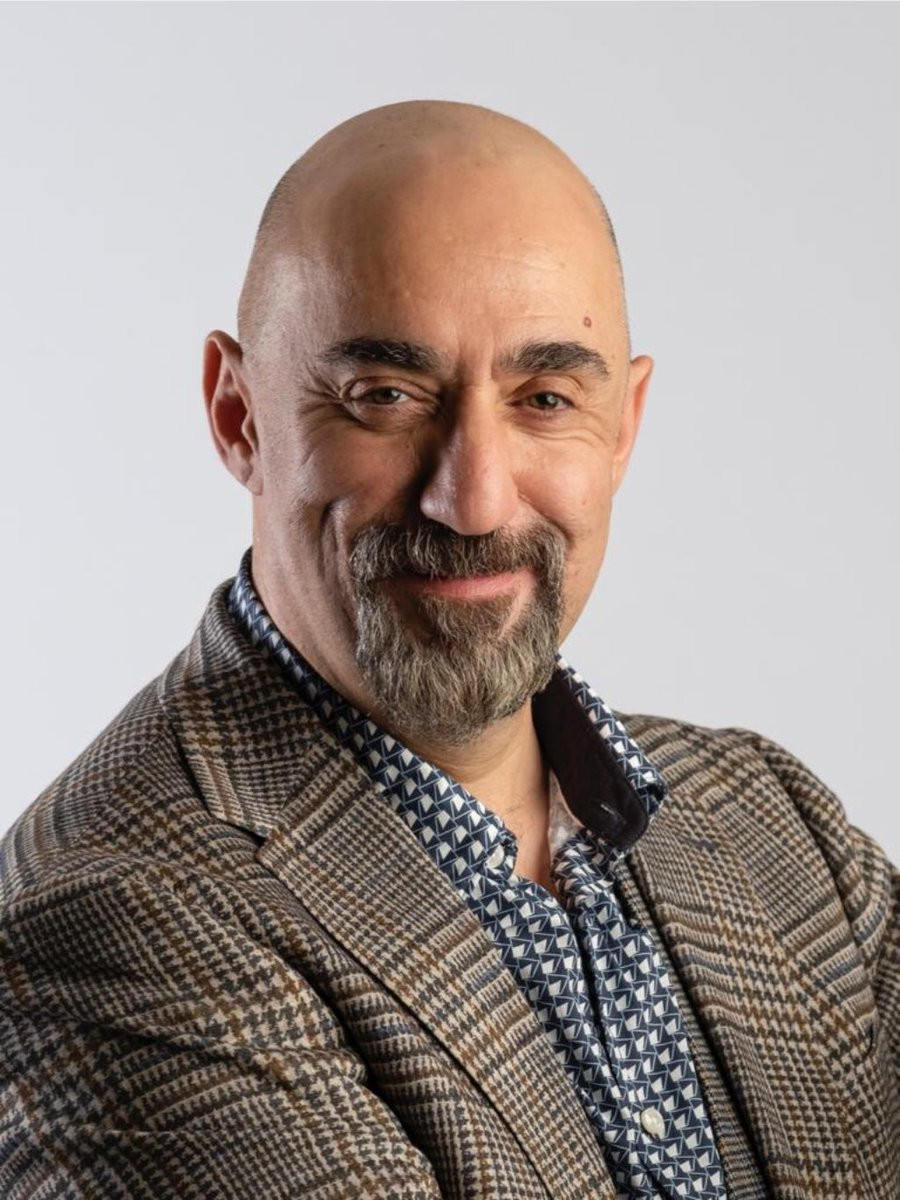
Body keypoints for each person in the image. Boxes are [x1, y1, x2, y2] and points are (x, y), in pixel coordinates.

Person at [0, 100, 896, 1200]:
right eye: (386, 397)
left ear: (623, 427)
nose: (472, 499)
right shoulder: (114, 922)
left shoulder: (779, 825)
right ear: (240, 416)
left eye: (545, 399)